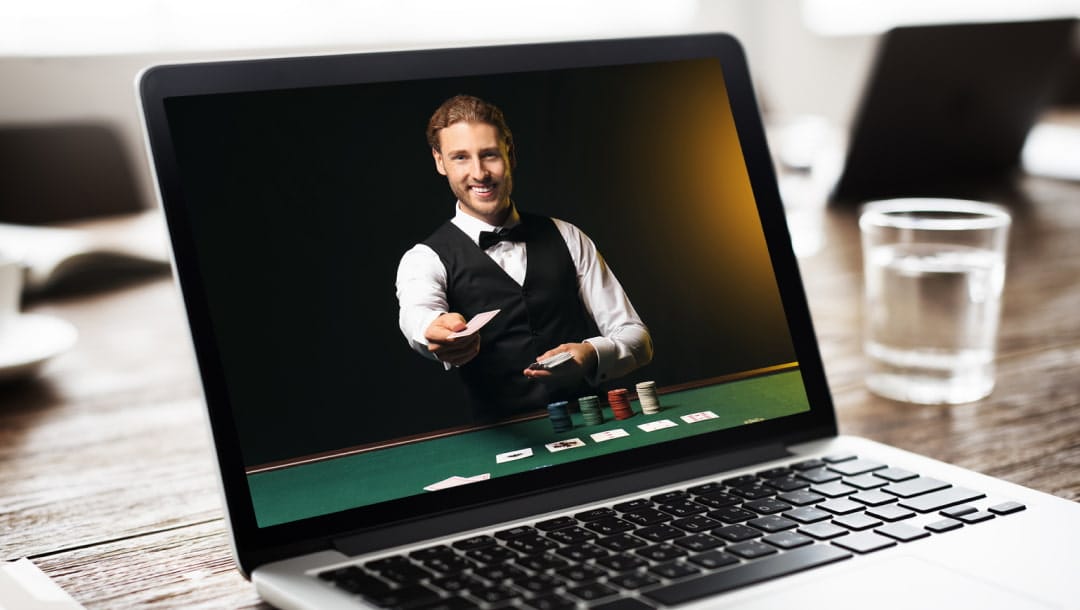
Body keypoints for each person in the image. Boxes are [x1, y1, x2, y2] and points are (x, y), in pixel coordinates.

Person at [396, 94, 652, 418]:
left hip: (594, 423)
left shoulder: (567, 235)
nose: (479, 173)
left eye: (489, 155)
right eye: (460, 157)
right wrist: (432, 329)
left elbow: (637, 338)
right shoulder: (425, 258)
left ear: (510, 152)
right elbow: (417, 316)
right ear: (440, 162)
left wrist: (591, 354)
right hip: (504, 444)